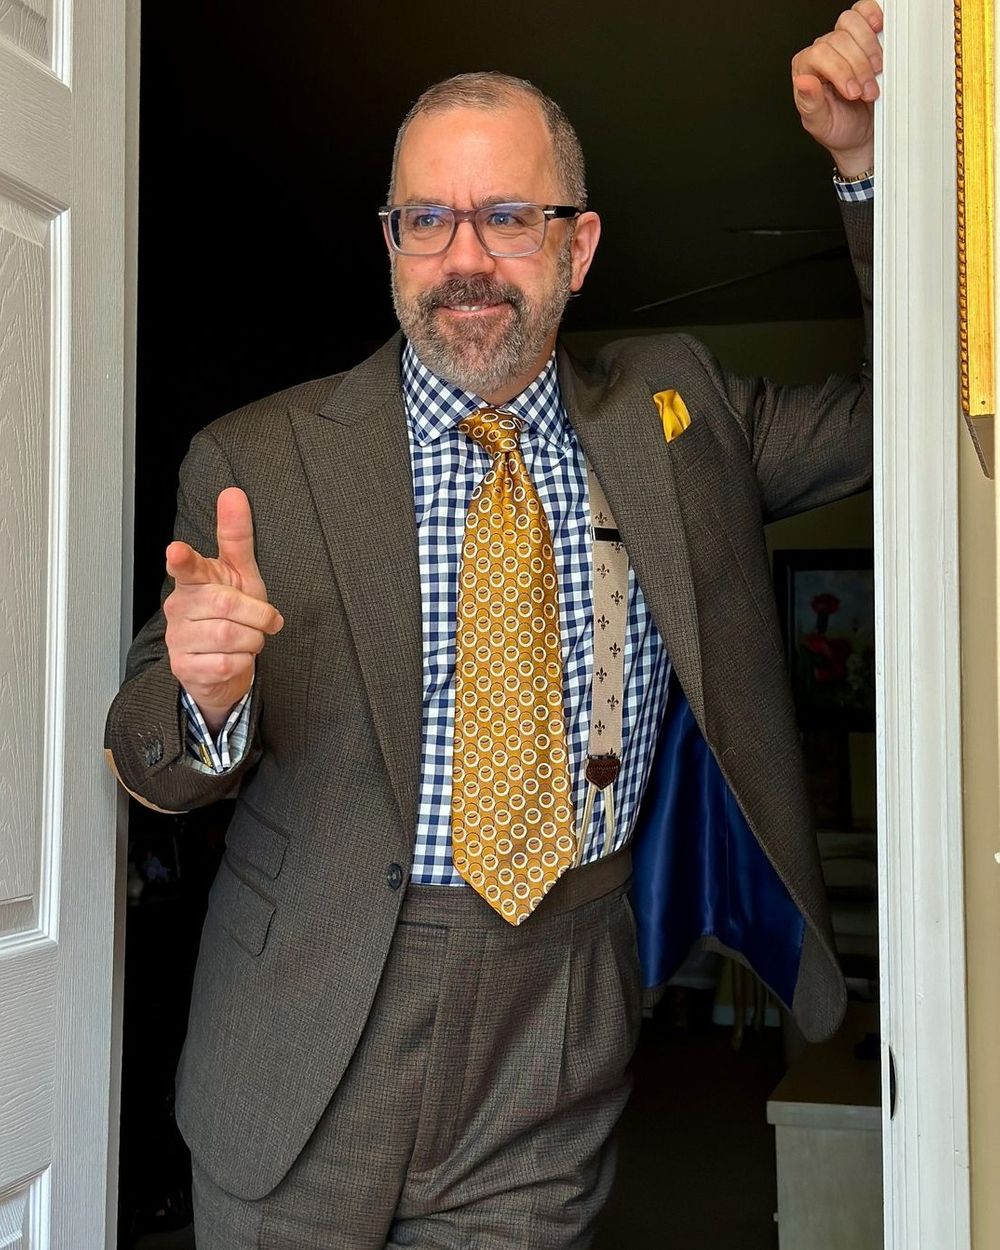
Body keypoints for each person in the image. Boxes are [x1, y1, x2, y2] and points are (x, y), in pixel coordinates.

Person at [106, 4, 882, 1245]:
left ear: (576, 248)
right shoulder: (256, 458)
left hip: (558, 1009)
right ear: (392, 243)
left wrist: (864, 174)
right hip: (308, 1019)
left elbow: (897, 411)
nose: (464, 256)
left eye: (508, 217)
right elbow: (144, 751)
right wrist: (200, 698)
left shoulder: (677, 406)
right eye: (428, 219)